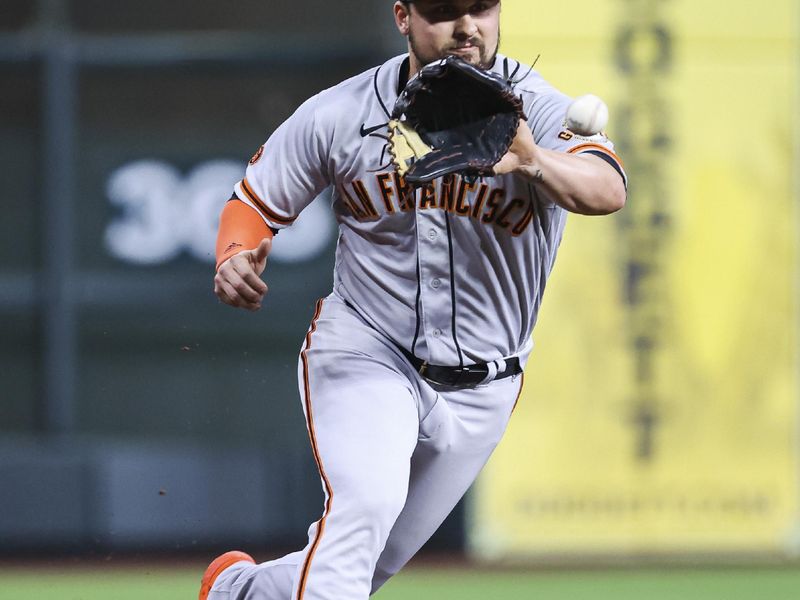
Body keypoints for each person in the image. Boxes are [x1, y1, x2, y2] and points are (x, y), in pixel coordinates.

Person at [201, 1, 627, 599]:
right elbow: (254, 202)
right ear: (403, 17)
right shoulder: (342, 112)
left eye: (480, 7)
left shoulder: (542, 107)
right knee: (363, 513)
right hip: (368, 351)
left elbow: (607, 188)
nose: (466, 27)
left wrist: (532, 159)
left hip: (483, 386)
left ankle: (238, 593)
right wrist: (235, 253)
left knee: (363, 563)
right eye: (443, 12)